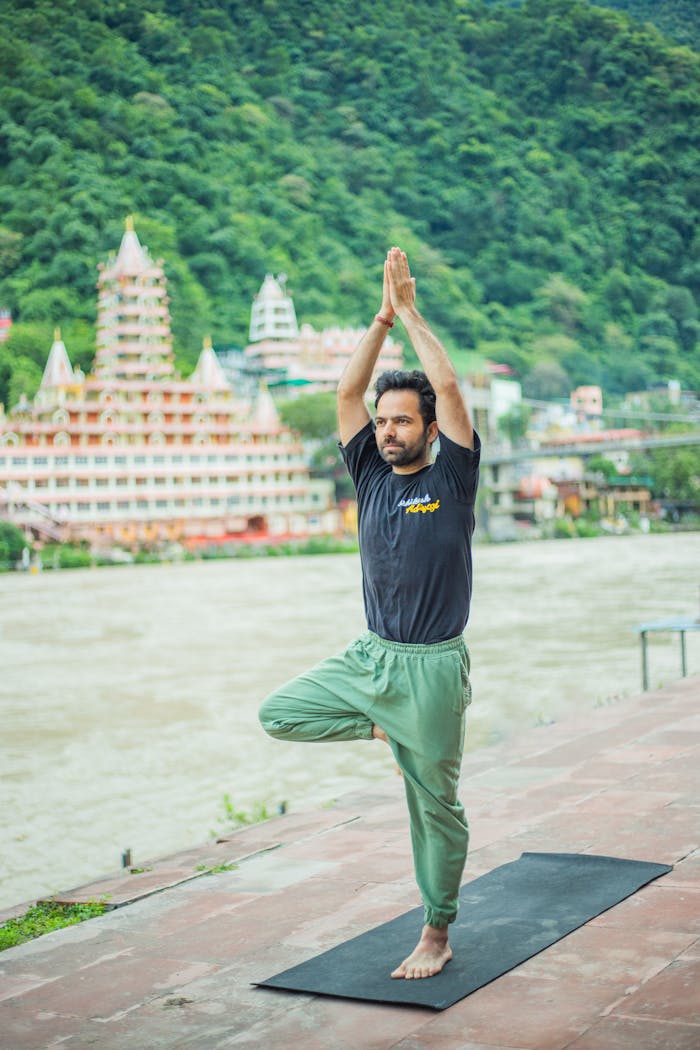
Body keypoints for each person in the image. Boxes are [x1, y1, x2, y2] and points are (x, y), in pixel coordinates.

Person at [259, 246, 480, 979]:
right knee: (279, 712)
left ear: (427, 428)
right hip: (371, 659)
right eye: (383, 422)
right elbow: (345, 397)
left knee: (434, 809)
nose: (386, 431)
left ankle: (437, 931)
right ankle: (381, 723)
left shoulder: (453, 473)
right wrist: (380, 320)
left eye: (401, 422)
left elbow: (447, 384)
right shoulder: (369, 475)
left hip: (434, 668)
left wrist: (412, 313)